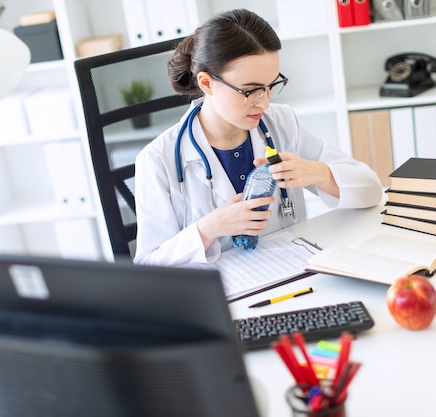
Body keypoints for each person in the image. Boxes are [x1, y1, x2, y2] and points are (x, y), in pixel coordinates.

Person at [133, 9, 382, 266]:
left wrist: (318, 173)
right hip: (223, 296)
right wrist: (208, 229)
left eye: (270, 86)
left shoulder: (282, 123)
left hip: (291, 274)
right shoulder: (157, 160)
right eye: (250, 91)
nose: (264, 103)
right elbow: (149, 265)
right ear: (206, 83)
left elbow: (371, 189)